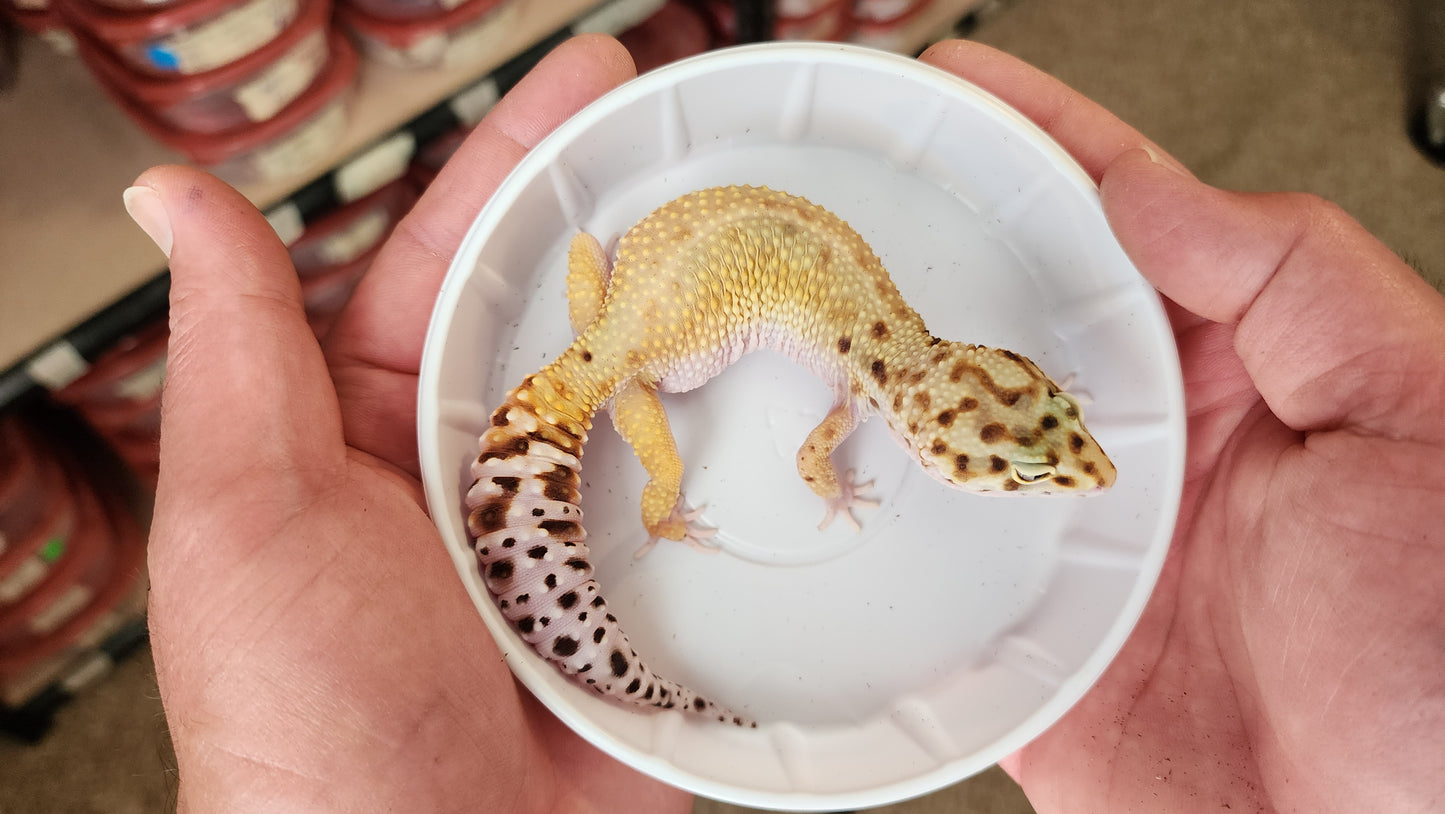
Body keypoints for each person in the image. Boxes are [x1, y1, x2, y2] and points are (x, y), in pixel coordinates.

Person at [124, 35, 1444, 813]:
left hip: (622, 300)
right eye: (1029, 458)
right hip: (638, 358)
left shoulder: (898, 341)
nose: (1071, 465)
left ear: (986, 377)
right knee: (651, 420)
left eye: (1039, 444)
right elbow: (817, 451)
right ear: (939, 432)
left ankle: (615, 440)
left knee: (612, 319)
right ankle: (650, 521)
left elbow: (814, 425)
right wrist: (744, 495)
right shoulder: (866, 378)